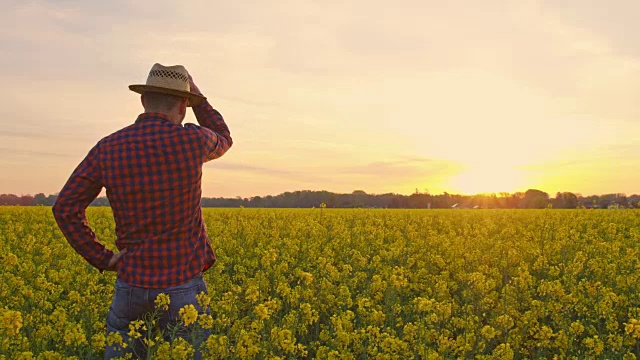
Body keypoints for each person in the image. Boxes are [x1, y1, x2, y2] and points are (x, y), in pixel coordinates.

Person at [52, 63, 232, 359]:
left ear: (143, 99)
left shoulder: (108, 147)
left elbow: (65, 208)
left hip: (131, 286)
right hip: (184, 287)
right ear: (184, 105)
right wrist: (202, 99)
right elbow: (223, 137)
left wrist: (103, 258)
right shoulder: (193, 140)